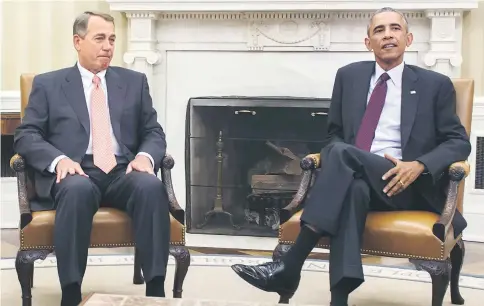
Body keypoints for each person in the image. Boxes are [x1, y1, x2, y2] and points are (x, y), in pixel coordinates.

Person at [231, 7, 471, 306]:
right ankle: (339, 298)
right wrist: (344, 158)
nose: (387, 35)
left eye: (394, 29)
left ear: (408, 39)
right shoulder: (349, 77)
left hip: (406, 185)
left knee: (343, 156)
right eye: (379, 30)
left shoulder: (434, 85)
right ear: (368, 42)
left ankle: (290, 266)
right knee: (351, 182)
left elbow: (459, 143)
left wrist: (419, 165)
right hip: (358, 177)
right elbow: (333, 135)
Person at [14, 11, 170, 306]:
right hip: (76, 170)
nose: (108, 46)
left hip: (123, 169)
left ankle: (156, 291)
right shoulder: (49, 85)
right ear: (78, 41)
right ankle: (71, 292)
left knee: (151, 187)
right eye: (100, 38)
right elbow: (27, 135)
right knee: (77, 189)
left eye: (112, 39)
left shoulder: (134, 82)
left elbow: (153, 131)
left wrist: (146, 157)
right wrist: (58, 160)